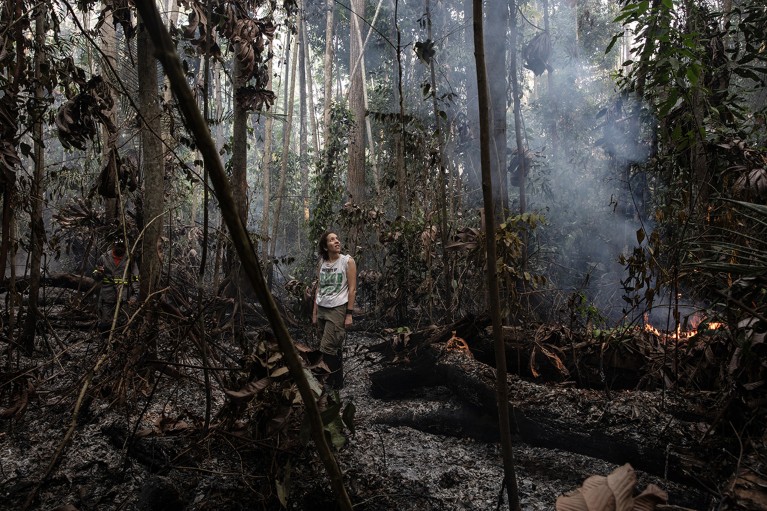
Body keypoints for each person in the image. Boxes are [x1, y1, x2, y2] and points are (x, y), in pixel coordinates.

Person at [312, 231, 357, 390]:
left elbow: (352, 289)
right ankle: (338, 384)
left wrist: (349, 314)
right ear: (325, 246)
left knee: (326, 347)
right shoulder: (322, 263)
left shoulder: (347, 261)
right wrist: (315, 312)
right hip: (322, 308)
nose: (337, 241)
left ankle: (327, 384)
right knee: (332, 347)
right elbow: (319, 287)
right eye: (332, 240)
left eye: (337, 238)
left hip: (337, 309)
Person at [93, 237, 140, 336]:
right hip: (107, 296)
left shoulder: (129, 259)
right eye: (117, 246)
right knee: (106, 323)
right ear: (113, 245)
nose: (120, 248)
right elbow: (95, 275)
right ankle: (105, 344)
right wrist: (99, 273)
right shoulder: (104, 258)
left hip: (124, 296)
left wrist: (135, 295)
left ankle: (119, 345)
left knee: (123, 323)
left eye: (122, 246)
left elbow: (135, 277)